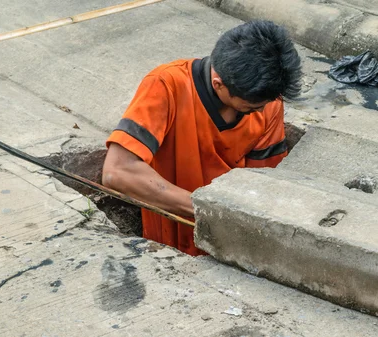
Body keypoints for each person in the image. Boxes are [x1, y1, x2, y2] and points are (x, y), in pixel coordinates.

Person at [102, 20, 302, 256]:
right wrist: (209, 210)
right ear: (219, 84)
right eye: (249, 108)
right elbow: (117, 172)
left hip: (230, 243)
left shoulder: (267, 102)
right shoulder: (167, 85)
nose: (260, 112)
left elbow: (264, 183)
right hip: (169, 245)